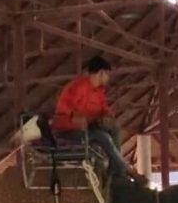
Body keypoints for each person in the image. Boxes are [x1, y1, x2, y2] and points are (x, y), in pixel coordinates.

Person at [51, 55, 142, 183]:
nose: (108, 78)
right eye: (107, 75)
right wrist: (73, 115)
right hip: (70, 131)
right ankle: (126, 170)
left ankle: (116, 171)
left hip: (88, 127)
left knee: (114, 128)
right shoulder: (78, 86)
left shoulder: (99, 92)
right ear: (101, 73)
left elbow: (104, 109)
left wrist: (107, 117)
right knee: (103, 137)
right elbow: (62, 105)